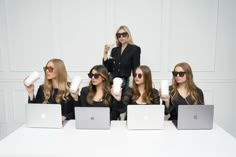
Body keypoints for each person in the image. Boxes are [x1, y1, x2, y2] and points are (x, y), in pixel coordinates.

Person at [103, 25, 141, 89]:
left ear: (128, 35)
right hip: (111, 81)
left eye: (124, 34)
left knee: (123, 98)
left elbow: (136, 68)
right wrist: (105, 53)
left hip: (124, 82)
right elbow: (108, 68)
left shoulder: (135, 49)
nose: (121, 37)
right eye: (119, 35)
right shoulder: (114, 50)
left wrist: (137, 85)